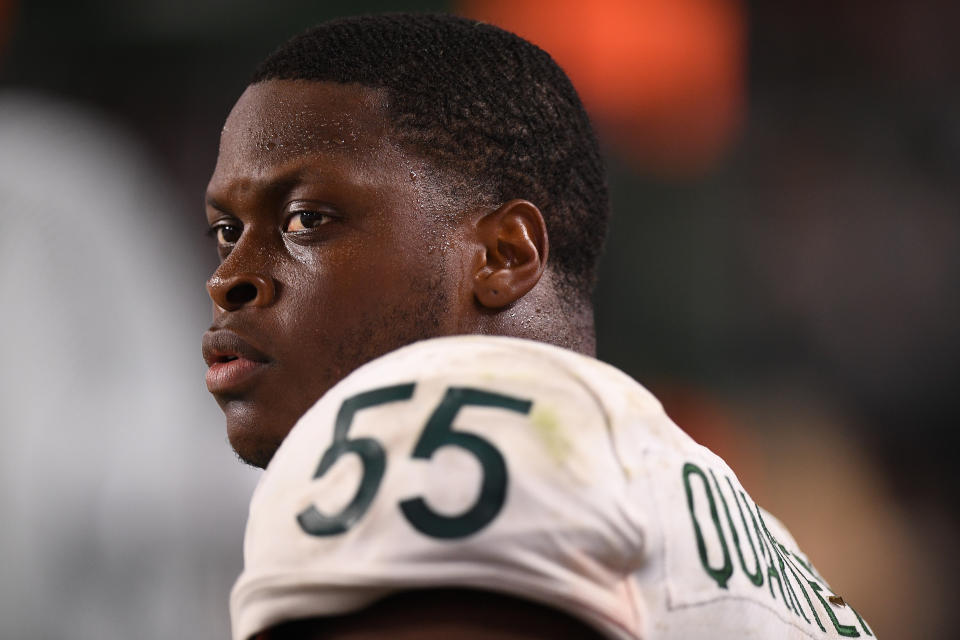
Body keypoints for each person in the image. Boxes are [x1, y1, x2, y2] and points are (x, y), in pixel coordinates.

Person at [202, 13, 876, 640]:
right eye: (226, 232)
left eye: (306, 220)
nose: (229, 275)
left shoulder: (445, 442)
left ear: (504, 254)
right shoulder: (773, 551)